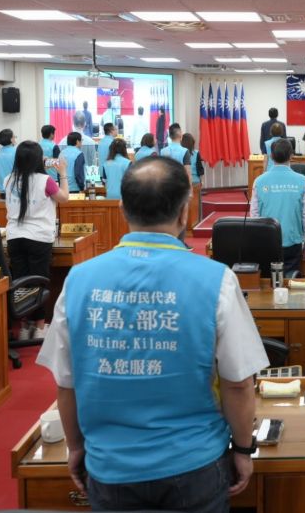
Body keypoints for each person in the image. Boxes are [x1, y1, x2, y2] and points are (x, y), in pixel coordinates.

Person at [37, 157, 268, 511]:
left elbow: (66, 383)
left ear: (121, 209)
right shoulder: (217, 279)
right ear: (185, 213)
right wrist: (242, 449)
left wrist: (76, 447)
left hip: (109, 467)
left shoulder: (78, 280)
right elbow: (238, 383)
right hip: (195, 464)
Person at [5, 141, 69, 339]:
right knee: (39, 281)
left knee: (20, 281)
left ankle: (25, 326)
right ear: (37, 159)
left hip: (14, 237)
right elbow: (64, 198)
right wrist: (63, 173)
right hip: (39, 238)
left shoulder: (9, 179)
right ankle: (40, 327)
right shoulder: (45, 180)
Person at [250, 139, 305, 275]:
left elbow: (254, 216)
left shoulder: (259, 181)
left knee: (268, 283)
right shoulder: (302, 181)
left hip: (266, 243)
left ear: (271, 156)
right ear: (291, 156)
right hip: (292, 244)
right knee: (291, 283)